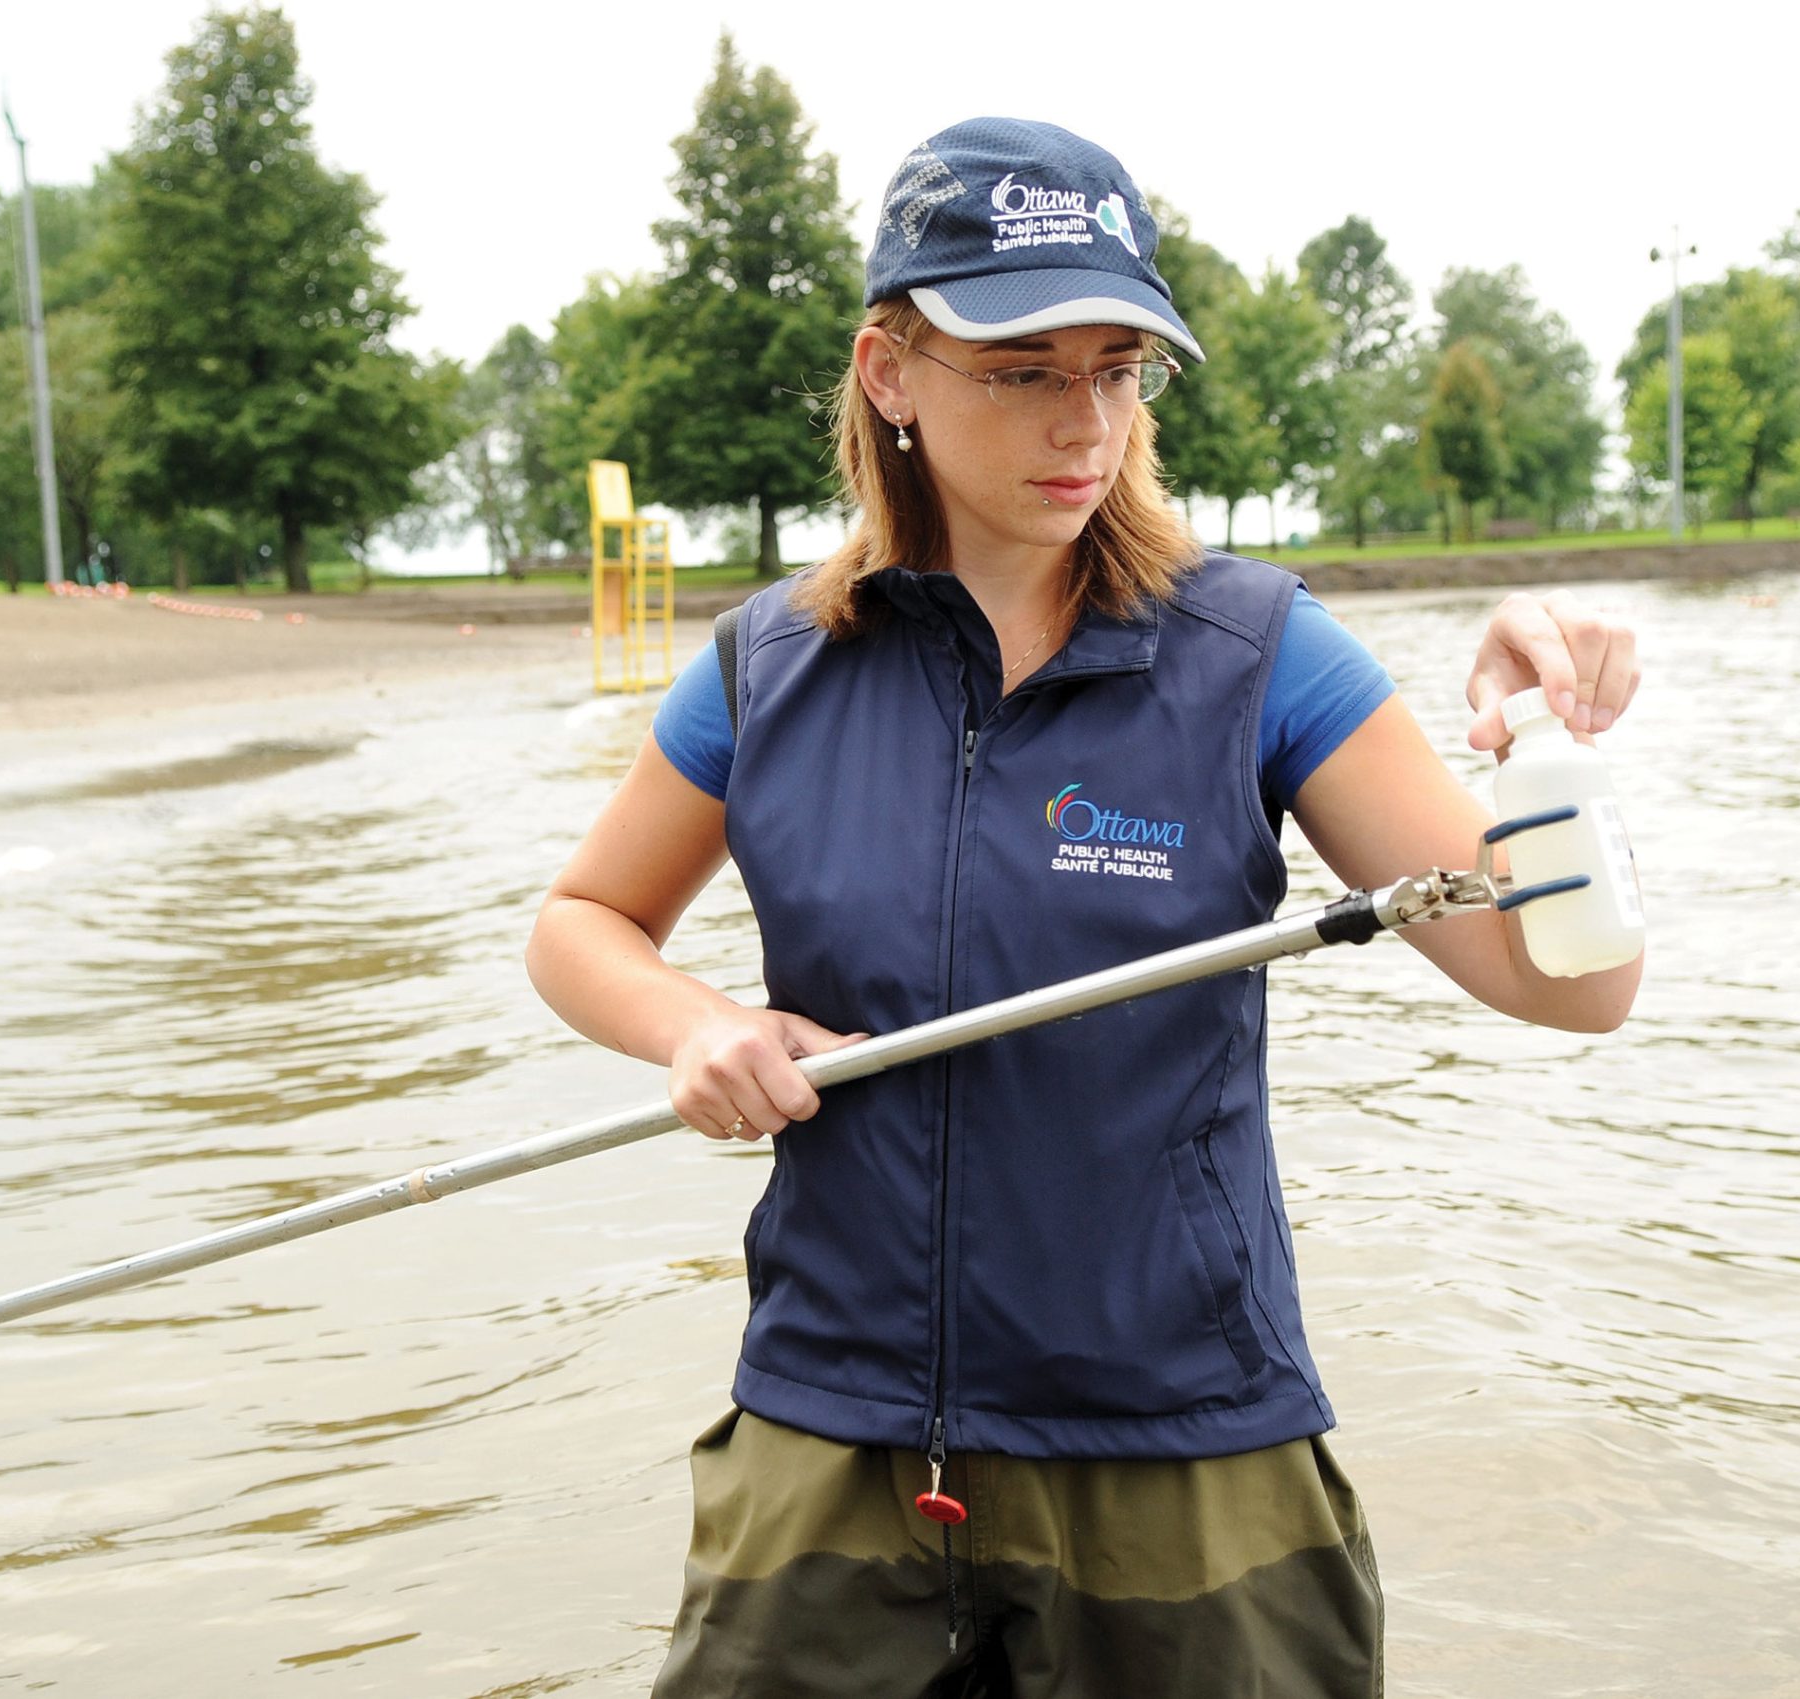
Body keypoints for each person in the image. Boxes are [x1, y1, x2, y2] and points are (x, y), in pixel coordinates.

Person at [527, 117, 1644, 1699]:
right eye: (1024, 368)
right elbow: (579, 923)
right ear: (890, 370)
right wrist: (697, 1028)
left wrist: (1535, 743)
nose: (1087, 422)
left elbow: (1569, 986)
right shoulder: (766, 666)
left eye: (1119, 368)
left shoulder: (1259, 651)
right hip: (832, 1434)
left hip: (1185, 1451)